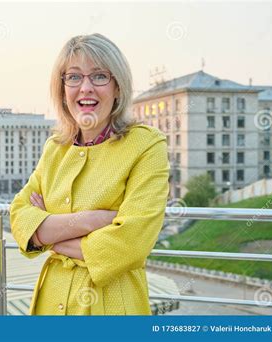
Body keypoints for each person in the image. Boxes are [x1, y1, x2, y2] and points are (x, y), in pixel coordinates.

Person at [10, 33, 170, 315]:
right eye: (73, 77)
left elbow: (132, 242)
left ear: (118, 87)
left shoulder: (146, 145)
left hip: (111, 307)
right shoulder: (55, 148)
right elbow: (21, 217)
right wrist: (95, 220)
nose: (85, 88)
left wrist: (50, 232)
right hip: (50, 304)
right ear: (62, 89)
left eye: (99, 76)